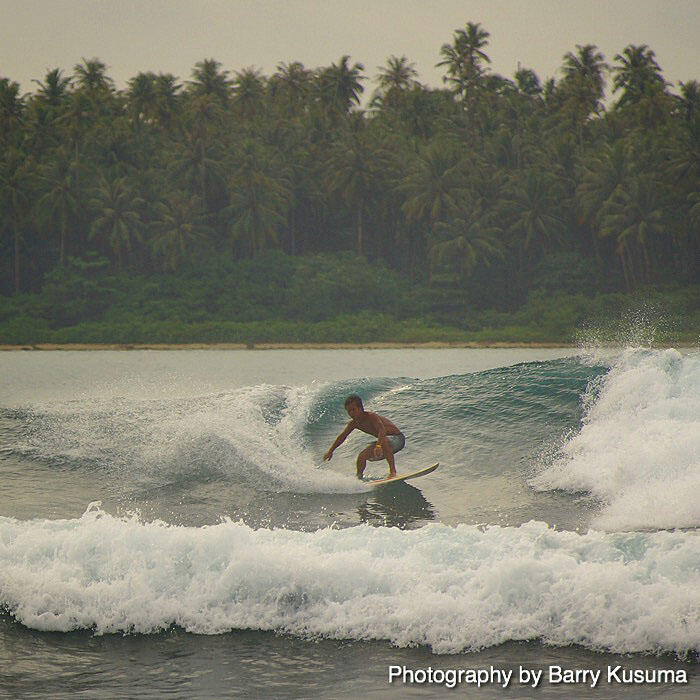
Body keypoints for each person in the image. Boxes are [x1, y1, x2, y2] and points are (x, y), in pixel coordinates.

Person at [323, 394, 405, 479]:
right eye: (349, 411)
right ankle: (359, 478)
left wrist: (378, 446)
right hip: (384, 442)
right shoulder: (354, 423)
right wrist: (330, 451)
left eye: (353, 410)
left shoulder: (371, 416)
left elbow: (382, 430)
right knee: (362, 457)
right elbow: (342, 436)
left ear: (360, 408)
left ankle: (393, 472)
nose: (351, 413)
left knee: (383, 441)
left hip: (397, 439)